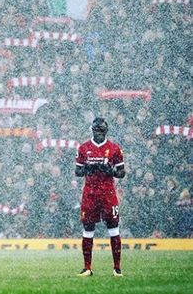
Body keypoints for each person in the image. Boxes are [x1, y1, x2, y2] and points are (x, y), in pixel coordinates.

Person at [75, 117, 125, 277]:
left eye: (101, 132)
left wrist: (110, 171)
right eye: (96, 131)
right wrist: (88, 169)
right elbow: (78, 171)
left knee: (113, 228)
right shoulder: (83, 148)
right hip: (90, 194)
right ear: (92, 131)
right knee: (88, 229)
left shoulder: (114, 148)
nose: (99, 134)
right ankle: (87, 267)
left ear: (106, 132)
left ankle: (117, 268)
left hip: (108, 194)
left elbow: (121, 173)